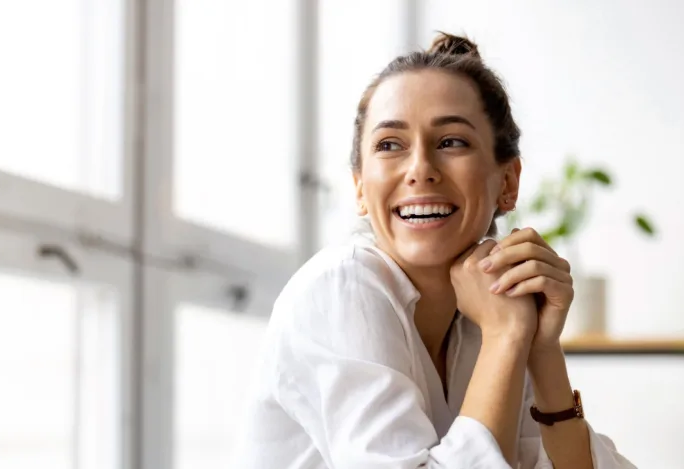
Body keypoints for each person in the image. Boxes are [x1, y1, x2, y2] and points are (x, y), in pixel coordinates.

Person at [236, 33, 635, 468]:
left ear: (508, 182)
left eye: (451, 142)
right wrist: (505, 339)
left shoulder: (489, 309)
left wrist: (540, 349)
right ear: (359, 188)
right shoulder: (342, 288)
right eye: (390, 145)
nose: (420, 169)